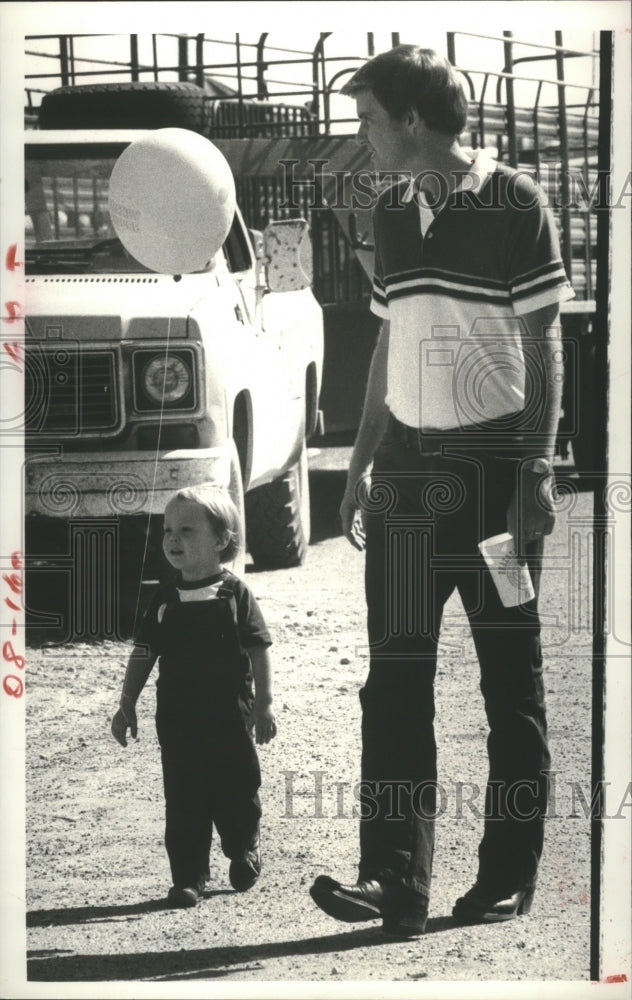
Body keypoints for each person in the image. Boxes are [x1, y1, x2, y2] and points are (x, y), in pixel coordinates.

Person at [310, 45, 574, 938]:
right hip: (409, 483)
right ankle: (394, 883)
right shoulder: (388, 212)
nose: (362, 136)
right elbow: (389, 344)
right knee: (394, 680)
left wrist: (534, 472)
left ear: (413, 120)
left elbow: (545, 347)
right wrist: (358, 462)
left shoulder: (518, 203)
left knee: (510, 680)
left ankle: (506, 871)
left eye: (369, 119)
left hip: (497, 476)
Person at [111, 483, 276, 907]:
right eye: (168, 530)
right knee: (183, 797)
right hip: (179, 721)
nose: (172, 539)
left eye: (186, 530)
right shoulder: (164, 599)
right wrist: (126, 703)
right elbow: (144, 653)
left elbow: (259, 650)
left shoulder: (235, 594)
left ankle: (243, 847)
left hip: (230, 718)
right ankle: (188, 877)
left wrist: (264, 705)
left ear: (221, 539)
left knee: (236, 788)